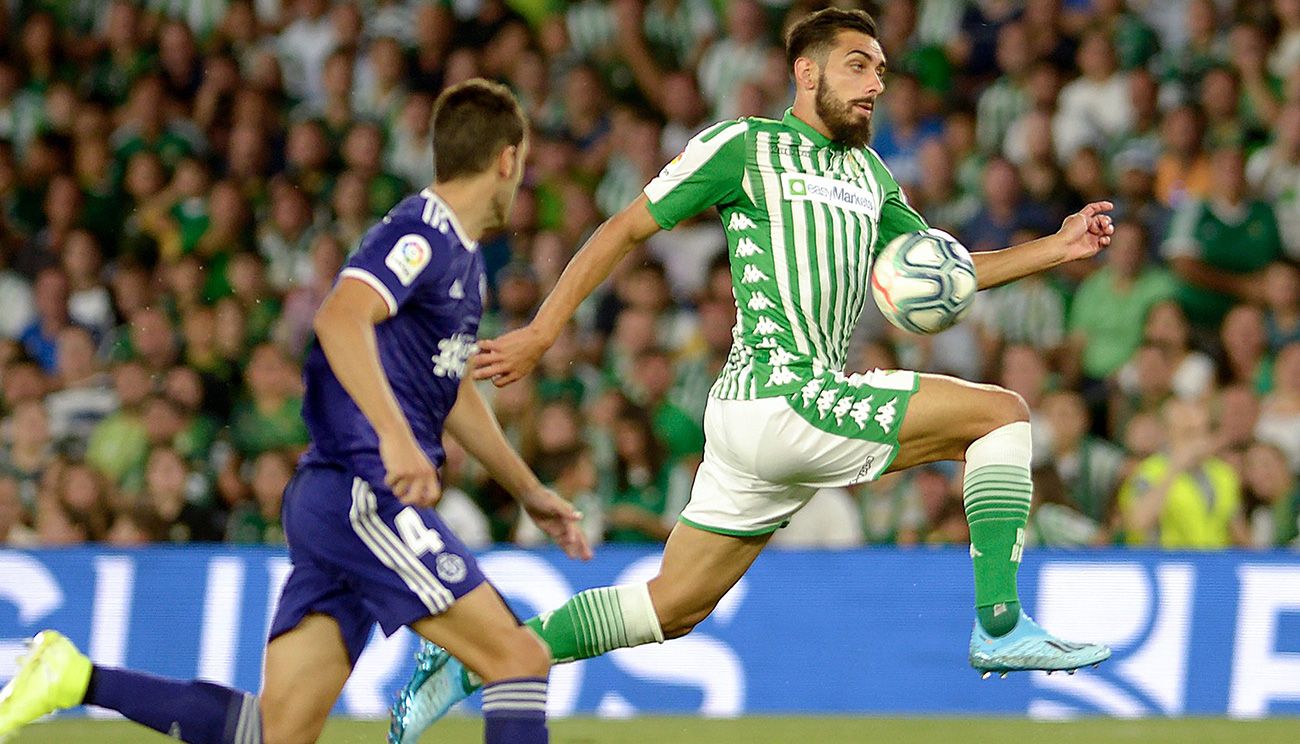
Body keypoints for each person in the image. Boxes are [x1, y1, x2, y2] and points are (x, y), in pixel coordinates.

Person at [389, 10, 1113, 743]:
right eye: (858, 65)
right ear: (808, 72)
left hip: (765, 420)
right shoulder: (747, 146)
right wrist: (543, 330)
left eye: (882, 72)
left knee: (673, 607)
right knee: (1003, 415)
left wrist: (1054, 248)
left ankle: (478, 654)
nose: (875, 84)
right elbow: (626, 227)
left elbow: (944, 268)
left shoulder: (870, 175)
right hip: (782, 394)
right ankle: (998, 622)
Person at [0, 79, 591, 744]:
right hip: (365, 490)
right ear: (507, 160)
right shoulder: (421, 232)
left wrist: (529, 489)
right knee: (518, 658)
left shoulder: (463, 264)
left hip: (335, 499)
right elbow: (340, 317)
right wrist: (395, 440)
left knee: (274, 733)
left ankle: (71, 677)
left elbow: (449, 392)